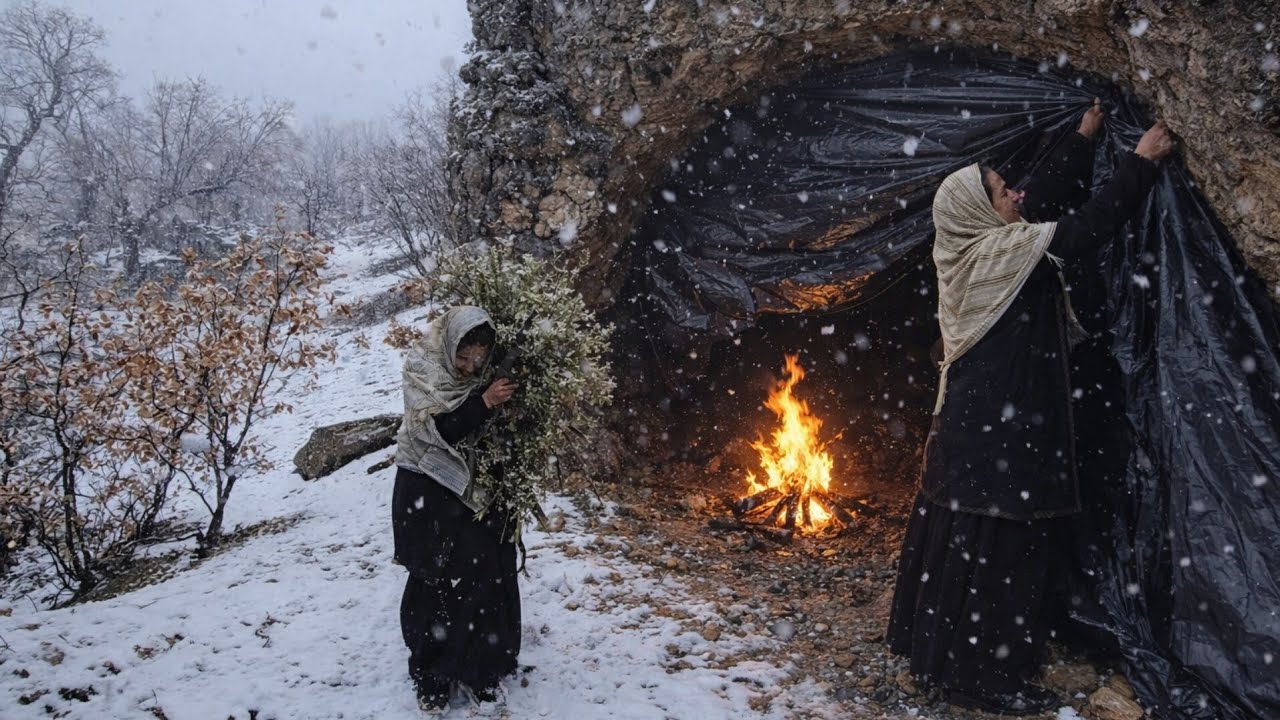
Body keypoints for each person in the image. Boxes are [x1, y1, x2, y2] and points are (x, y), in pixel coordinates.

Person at [886, 100, 1176, 715]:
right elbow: (1086, 227)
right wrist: (1140, 164)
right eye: (998, 191)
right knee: (1002, 551)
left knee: (970, 541)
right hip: (997, 426)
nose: (1012, 193)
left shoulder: (971, 243)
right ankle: (982, 680)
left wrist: (1080, 137)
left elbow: (1034, 198)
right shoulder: (997, 253)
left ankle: (943, 656)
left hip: (978, 423)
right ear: (977, 212)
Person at [391, 305, 520, 712]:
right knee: (432, 583)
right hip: (424, 491)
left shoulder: (484, 374)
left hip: (467, 490)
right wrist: (483, 402)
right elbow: (438, 433)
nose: (467, 368)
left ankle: (480, 668)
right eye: (462, 358)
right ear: (449, 347)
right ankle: (430, 674)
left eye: (476, 361)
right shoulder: (423, 369)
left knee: (481, 579)